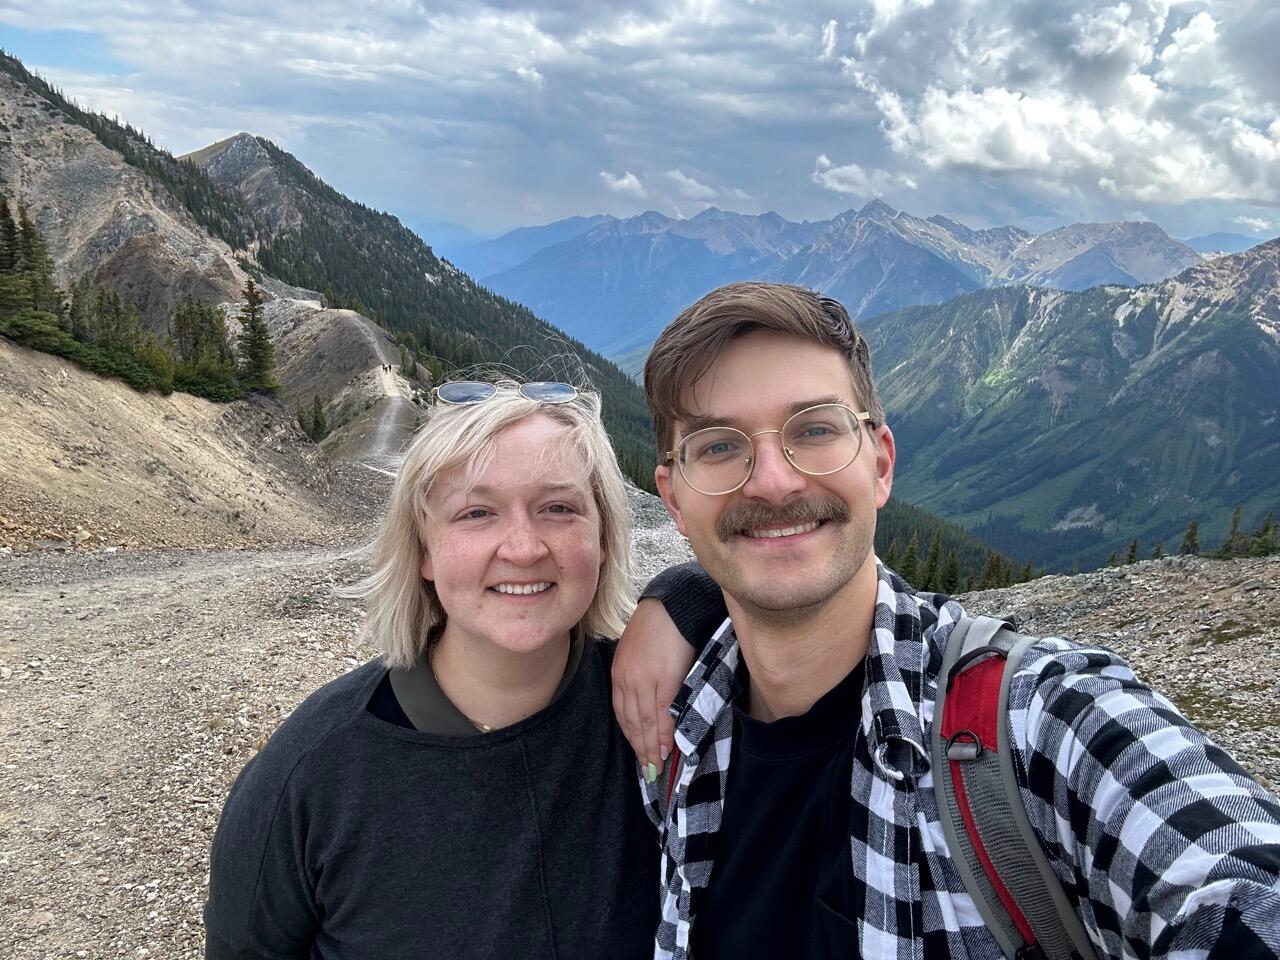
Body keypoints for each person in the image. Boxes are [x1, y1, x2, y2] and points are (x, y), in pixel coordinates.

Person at [611, 282, 1280, 959]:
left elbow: (1240, 883)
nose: (775, 481)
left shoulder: (1034, 723)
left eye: (814, 430)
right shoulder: (669, 735)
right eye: (719, 446)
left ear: (879, 464)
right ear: (673, 496)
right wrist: (681, 597)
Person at [205, 379, 699, 959]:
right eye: (476, 512)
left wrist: (690, 593)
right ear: (422, 551)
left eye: (558, 508)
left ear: (604, 539)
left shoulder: (657, 714)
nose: (523, 547)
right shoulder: (315, 771)